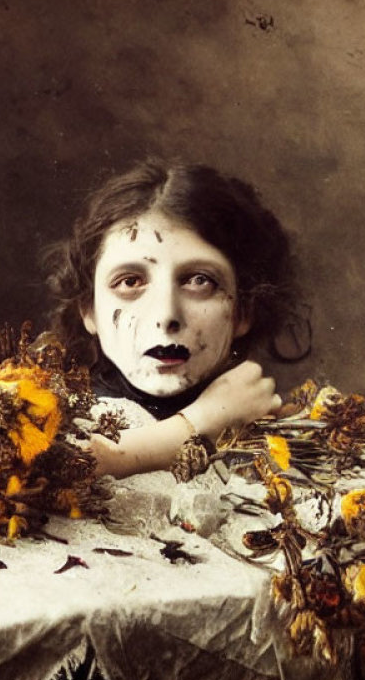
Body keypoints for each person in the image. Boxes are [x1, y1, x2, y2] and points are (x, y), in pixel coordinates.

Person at [45, 159, 302, 477]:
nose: (166, 316)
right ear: (89, 310)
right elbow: (45, 475)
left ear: (244, 311)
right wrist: (200, 423)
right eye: (130, 282)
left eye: (199, 281)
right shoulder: (47, 421)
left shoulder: (288, 447)